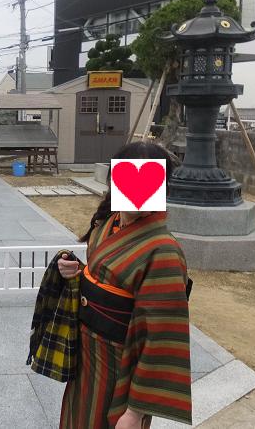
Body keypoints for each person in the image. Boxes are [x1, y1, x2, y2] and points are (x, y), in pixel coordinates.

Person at [58, 141, 192, 429]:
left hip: (121, 369)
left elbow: (161, 337)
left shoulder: (163, 252)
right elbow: (105, 281)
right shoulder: (107, 224)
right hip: (86, 356)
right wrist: (77, 273)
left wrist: (136, 411)